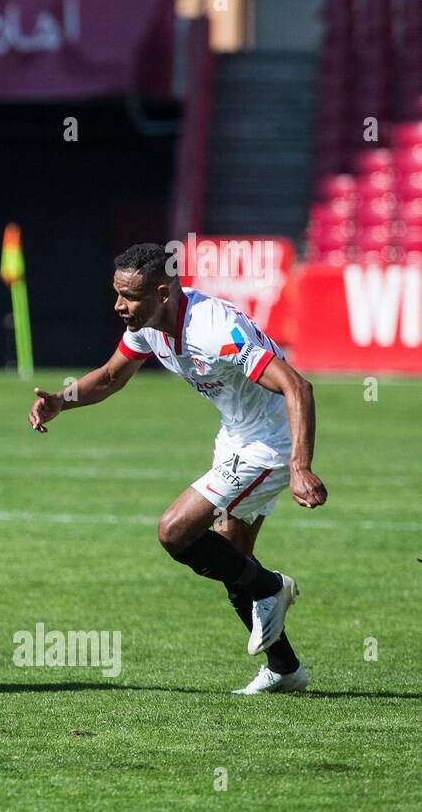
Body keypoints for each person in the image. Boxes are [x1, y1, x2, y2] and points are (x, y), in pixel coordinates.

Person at [27, 243, 327, 695]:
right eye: (117, 293)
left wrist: (300, 465)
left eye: (129, 296)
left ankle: (271, 587)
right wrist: (61, 402)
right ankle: (284, 667)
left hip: (270, 443)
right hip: (235, 436)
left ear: (163, 293)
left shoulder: (215, 328)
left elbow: (296, 386)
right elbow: (111, 377)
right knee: (230, 558)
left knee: (174, 531)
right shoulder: (148, 325)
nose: (118, 305)